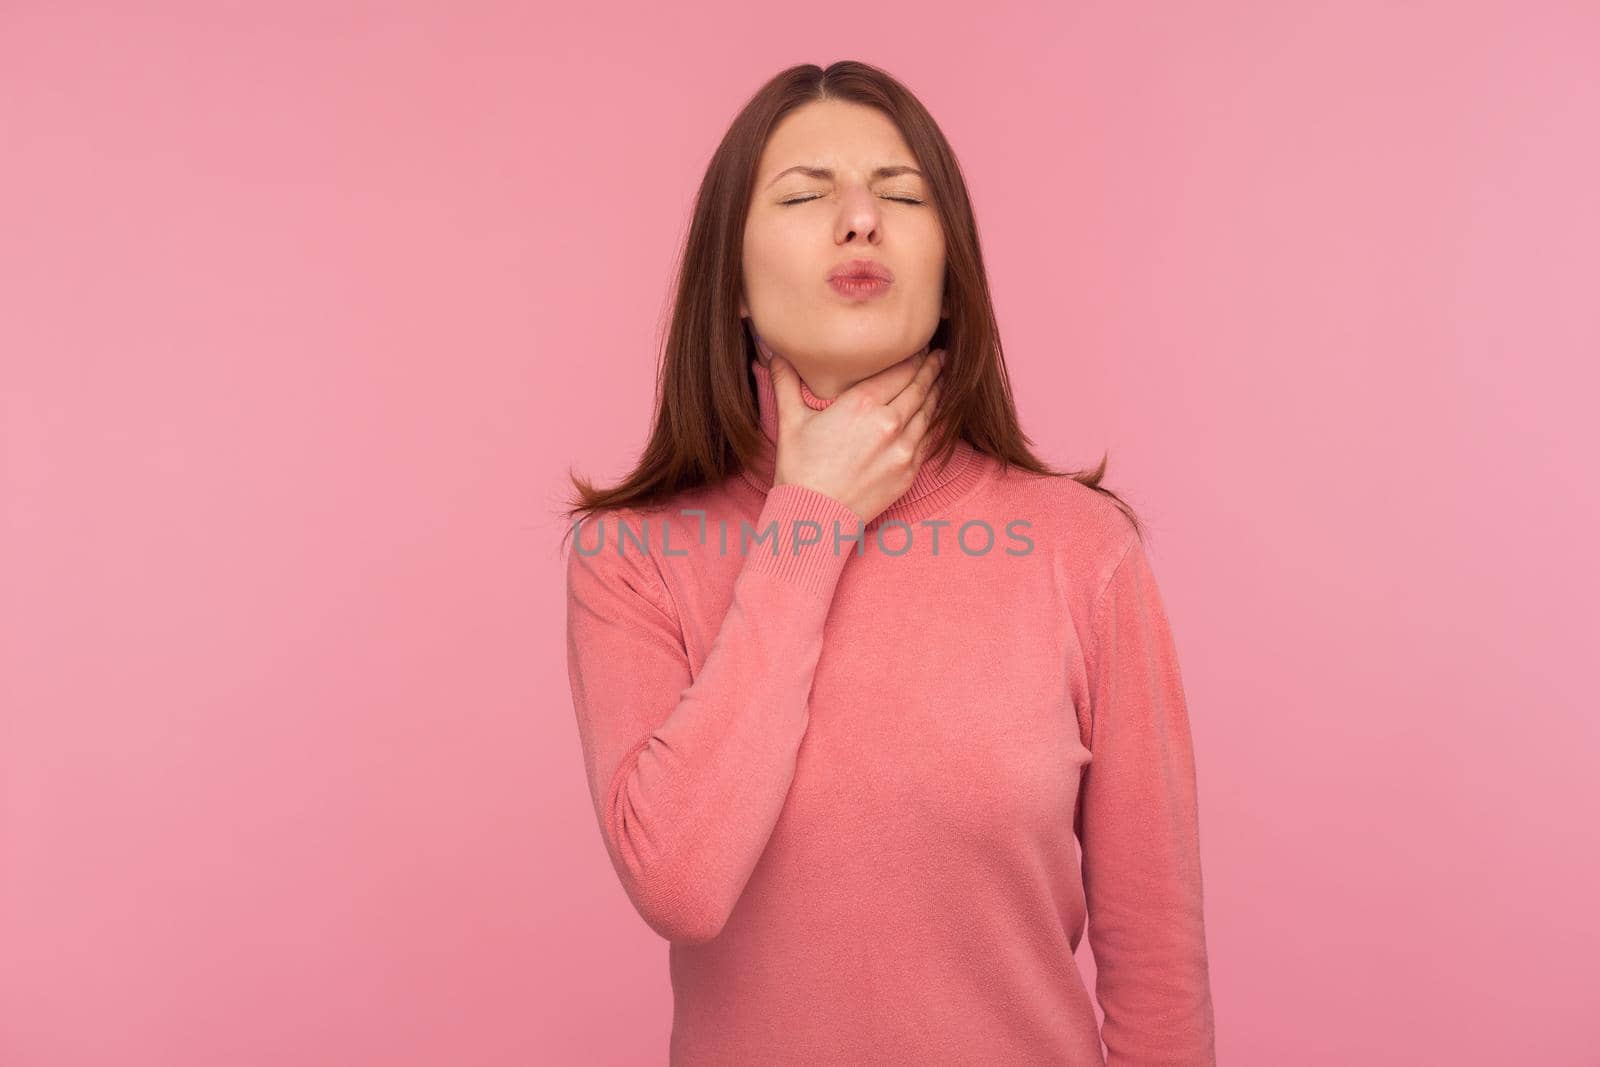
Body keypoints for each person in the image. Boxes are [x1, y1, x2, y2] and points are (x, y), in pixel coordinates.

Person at [561, 60, 1217, 1067]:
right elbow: (682, 881)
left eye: (902, 194)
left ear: (950, 276)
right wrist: (810, 517)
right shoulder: (634, 557)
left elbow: (1158, 967)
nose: (861, 218)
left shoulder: (1082, 549)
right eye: (804, 193)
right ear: (729, 284)